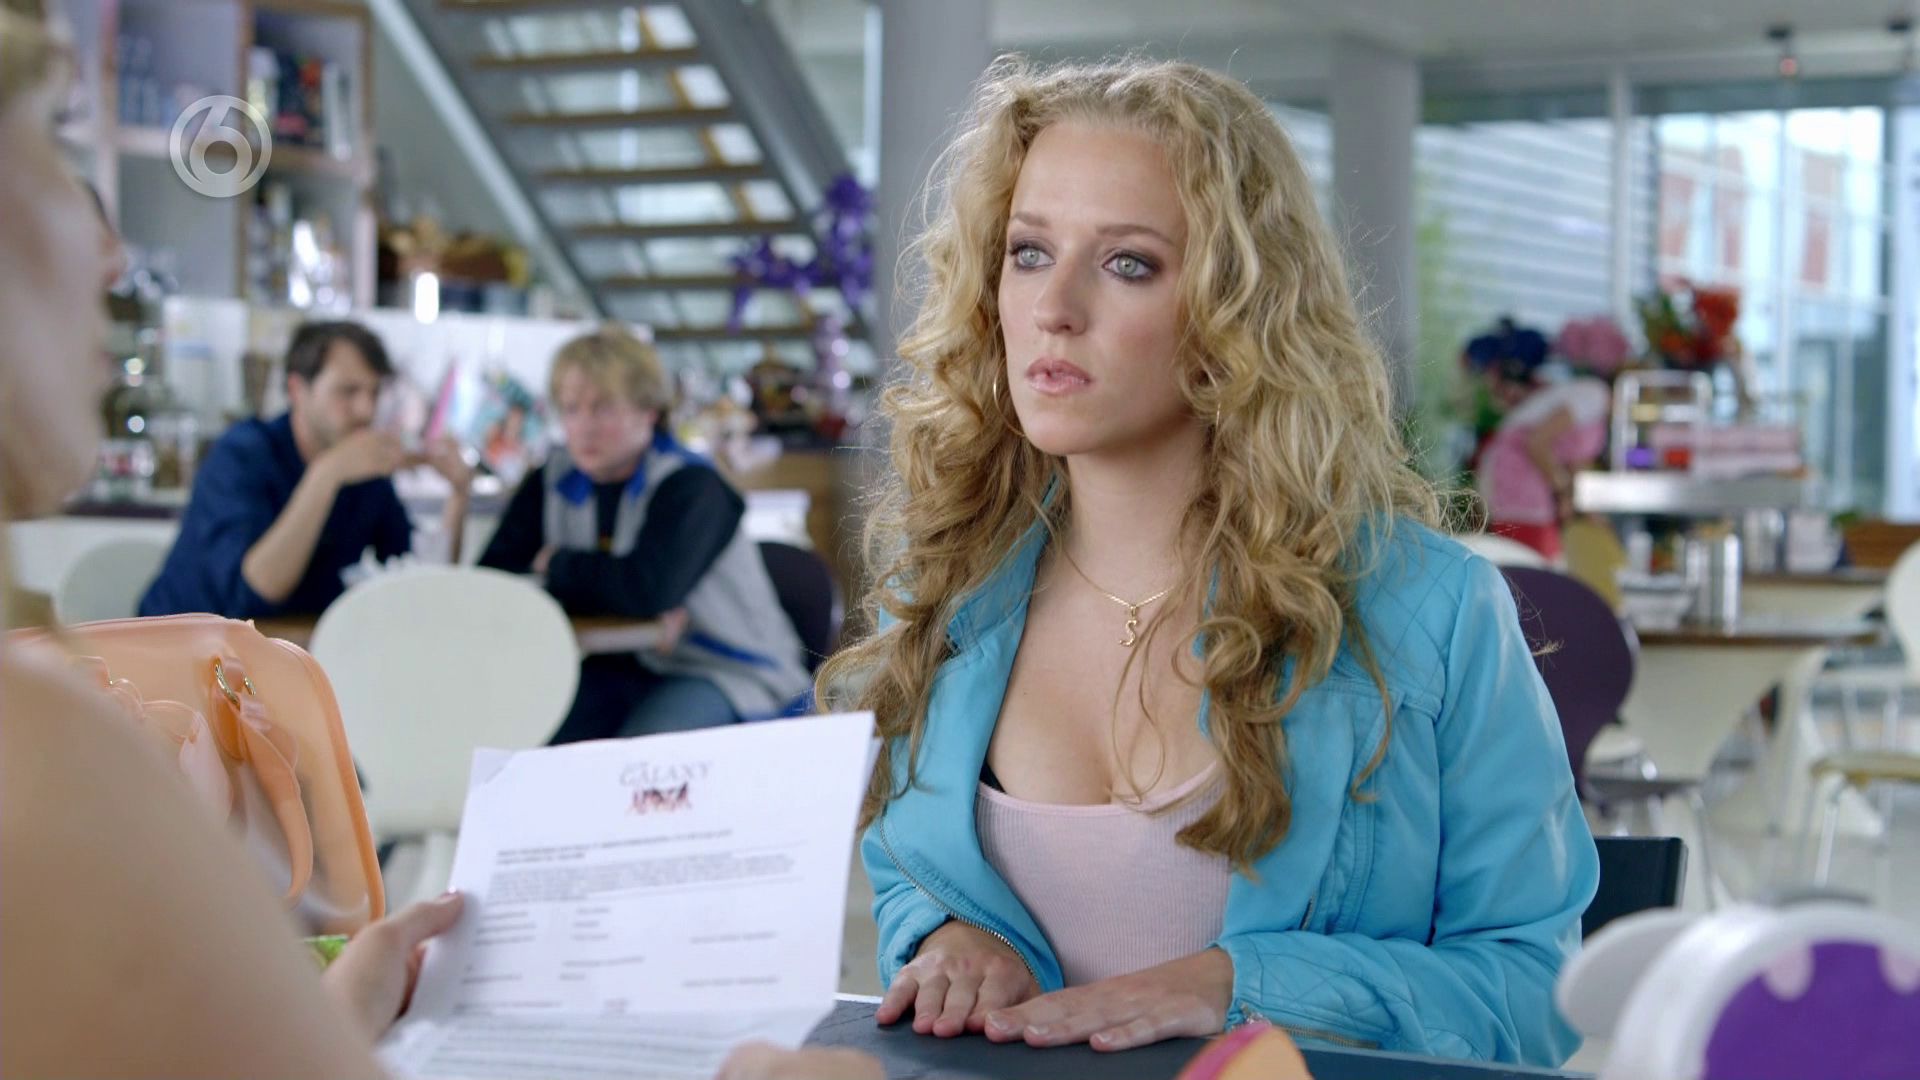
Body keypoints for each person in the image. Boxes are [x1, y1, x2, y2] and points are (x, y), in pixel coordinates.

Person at [815, 57, 1599, 1066]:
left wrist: (1241, 987)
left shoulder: (1431, 610)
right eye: (1027, 252)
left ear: (1241, 309)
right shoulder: (942, 596)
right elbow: (911, 875)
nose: (1054, 307)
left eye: (1128, 263)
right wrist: (948, 937)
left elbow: (1535, 992)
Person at [479, 326, 811, 742]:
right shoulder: (552, 478)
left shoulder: (693, 486)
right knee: (530, 739)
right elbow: (493, 582)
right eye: (571, 409)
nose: (584, 427)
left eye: (603, 408)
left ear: (649, 411)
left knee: (644, 756)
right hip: (623, 664)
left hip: (727, 670)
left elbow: (648, 590)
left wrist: (555, 563)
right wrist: (607, 583)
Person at [138, 320, 474, 618]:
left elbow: (418, 583)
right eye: (348, 391)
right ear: (297, 390)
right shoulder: (241, 455)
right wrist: (327, 474)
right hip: (183, 651)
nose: (366, 409)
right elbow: (253, 595)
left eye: (374, 392)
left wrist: (458, 495)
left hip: (291, 650)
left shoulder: (364, 471)